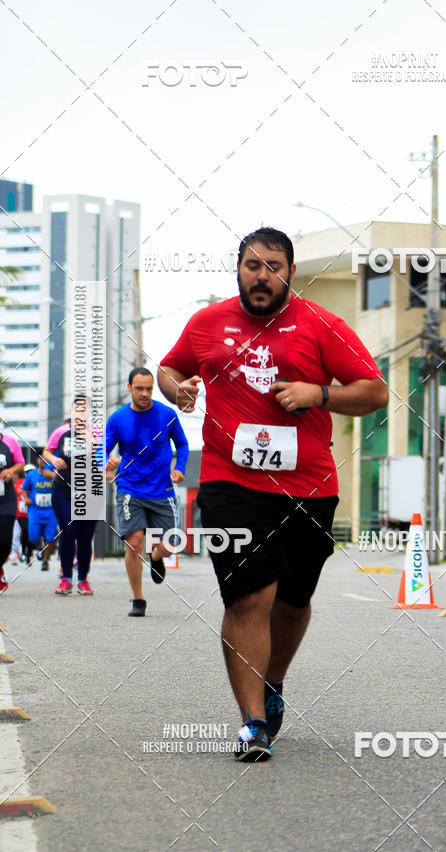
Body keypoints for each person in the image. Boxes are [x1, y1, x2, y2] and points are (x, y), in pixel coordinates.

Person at [158, 226, 388, 761]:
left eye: (274, 266)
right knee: (247, 597)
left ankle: (272, 680)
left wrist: (320, 393)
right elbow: (169, 369)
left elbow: (374, 391)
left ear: (290, 272)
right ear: (238, 269)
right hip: (230, 481)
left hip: (308, 486)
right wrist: (177, 390)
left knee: (292, 601)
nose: (262, 276)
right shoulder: (207, 323)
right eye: (252, 265)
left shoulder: (321, 325)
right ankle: (253, 721)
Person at [102, 367, 189, 617]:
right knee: (134, 542)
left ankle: (156, 555)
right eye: (139, 388)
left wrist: (180, 468)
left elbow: (182, 444)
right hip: (130, 487)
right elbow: (102, 449)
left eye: (149, 389)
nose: (144, 393)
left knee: (171, 544)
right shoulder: (118, 418)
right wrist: (107, 460)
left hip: (162, 489)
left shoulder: (167, 415)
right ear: (129, 387)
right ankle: (138, 599)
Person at [43, 397, 99, 596]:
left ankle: (83, 579)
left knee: (85, 536)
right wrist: (53, 459)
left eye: (85, 409)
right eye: (77, 409)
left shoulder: (97, 432)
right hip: (64, 489)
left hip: (90, 490)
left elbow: (104, 458)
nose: (81, 412)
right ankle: (65, 578)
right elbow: (46, 452)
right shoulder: (61, 432)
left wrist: (93, 444)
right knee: (69, 530)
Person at [0, 425, 26, 592]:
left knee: (4, 542)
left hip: (6, 500)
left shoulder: (9, 442)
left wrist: (10, 470)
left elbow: (20, 464)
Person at [21, 456, 58, 572]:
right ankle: (40, 546)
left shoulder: (54, 473)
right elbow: (24, 489)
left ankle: (45, 561)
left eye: (44, 459)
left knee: (50, 537)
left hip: (51, 510)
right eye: (40, 459)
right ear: (37, 460)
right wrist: (26, 498)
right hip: (35, 510)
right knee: (33, 536)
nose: (42, 461)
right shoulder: (31, 474)